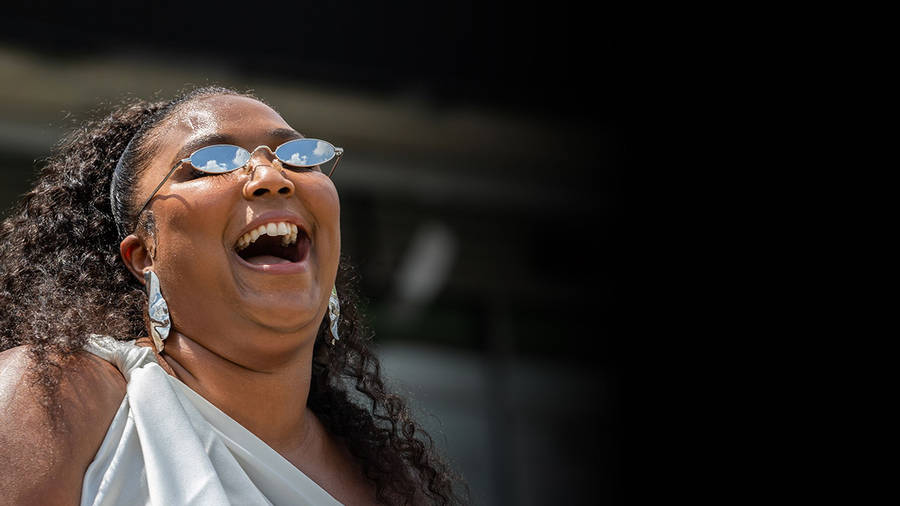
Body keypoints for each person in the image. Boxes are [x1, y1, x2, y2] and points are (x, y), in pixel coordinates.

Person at [0, 86, 463, 505]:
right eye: (212, 160)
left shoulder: (391, 486)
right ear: (144, 254)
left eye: (300, 157)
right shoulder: (55, 397)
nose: (271, 175)